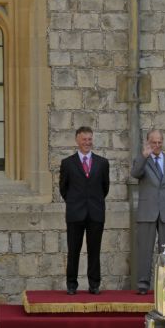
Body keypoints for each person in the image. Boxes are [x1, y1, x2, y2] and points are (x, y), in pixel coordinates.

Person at [59, 126, 110, 295]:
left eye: (89, 139)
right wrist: (75, 202)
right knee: (73, 250)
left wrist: (93, 202)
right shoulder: (67, 163)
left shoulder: (102, 163)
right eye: (84, 139)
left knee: (94, 251)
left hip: (95, 213)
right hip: (75, 214)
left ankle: (94, 284)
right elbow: (63, 189)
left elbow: (105, 188)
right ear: (77, 140)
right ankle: (71, 284)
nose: (87, 142)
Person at [130, 129, 165, 295]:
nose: (157, 145)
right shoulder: (142, 160)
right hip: (147, 211)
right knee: (145, 249)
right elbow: (135, 173)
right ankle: (143, 284)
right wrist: (144, 156)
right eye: (154, 142)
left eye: (159, 142)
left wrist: (164, 201)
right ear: (148, 142)